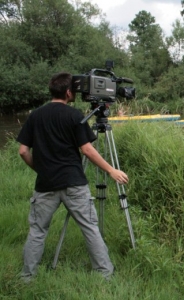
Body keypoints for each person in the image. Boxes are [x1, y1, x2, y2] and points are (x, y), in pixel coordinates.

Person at [16, 72, 128, 282]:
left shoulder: (35, 115)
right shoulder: (75, 115)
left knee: (38, 231)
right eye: (74, 91)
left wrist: (40, 170)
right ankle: (105, 274)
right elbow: (87, 149)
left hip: (45, 184)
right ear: (68, 92)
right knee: (89, 227)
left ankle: (26, 277)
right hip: (73, 183)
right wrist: (111, 170)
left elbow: (23, 151)